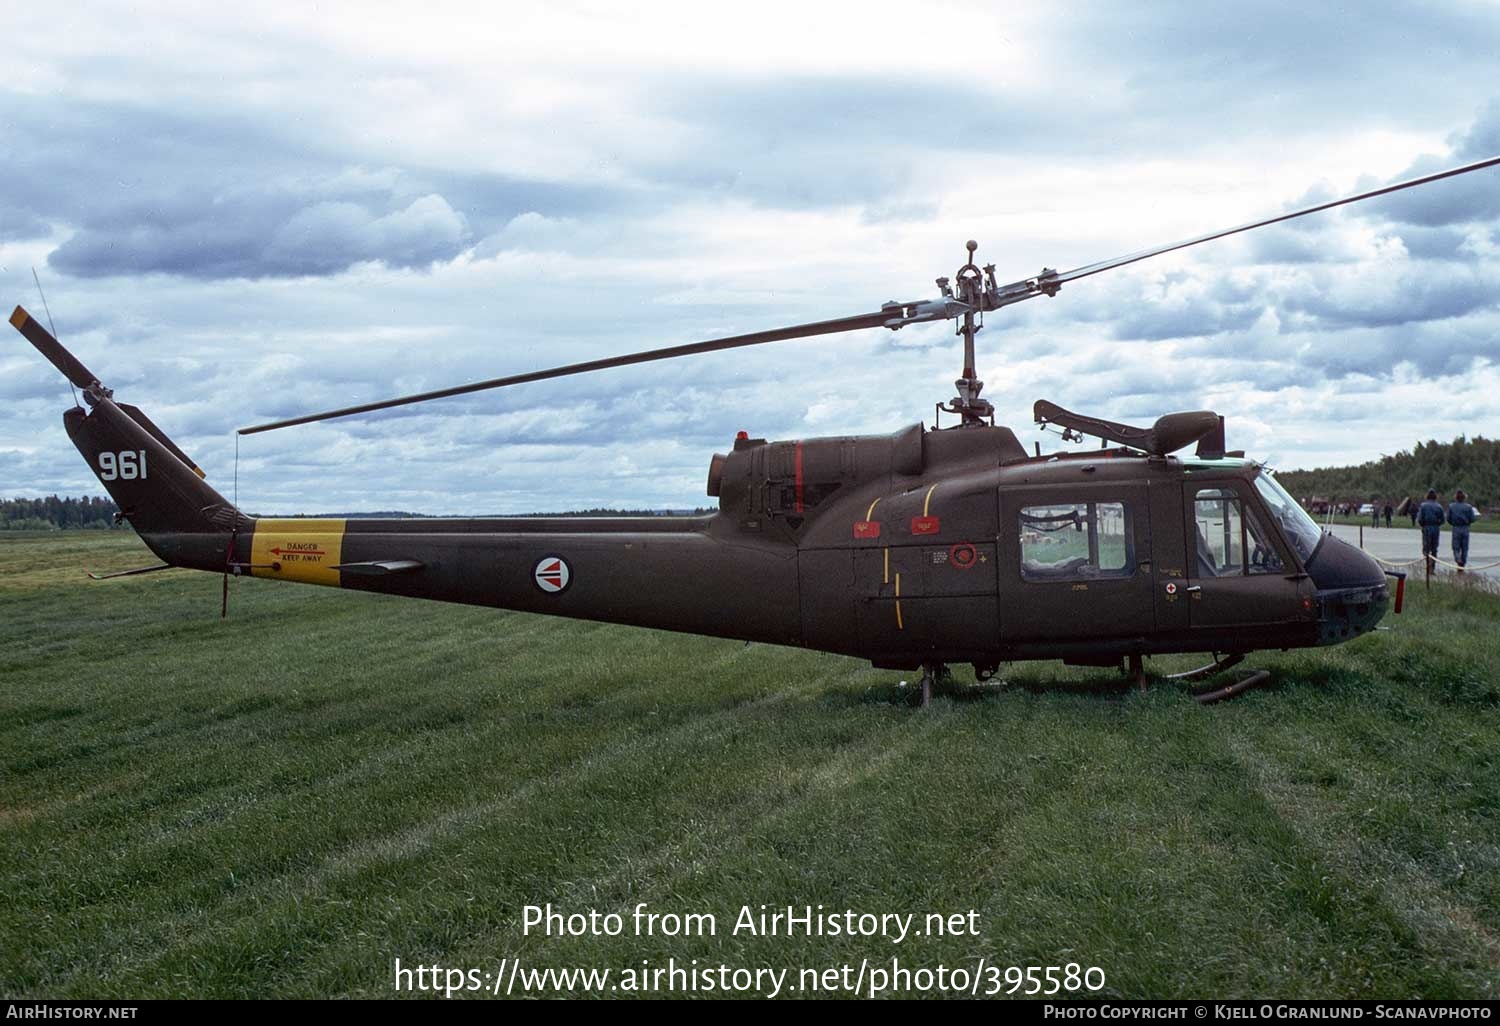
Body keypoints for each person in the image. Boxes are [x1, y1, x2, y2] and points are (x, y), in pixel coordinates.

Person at [1447, 489, 1479, 570]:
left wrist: (1453, 523)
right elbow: (1472, 518)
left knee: (1455, 546)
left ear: (1456, 497)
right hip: (1465, 528)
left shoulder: (1451, 506)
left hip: (1456, 528)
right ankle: (1462, 563)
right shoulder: (1468, 507)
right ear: (1464, 498)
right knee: (1465, 547)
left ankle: (1458, 559)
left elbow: (1448, 518)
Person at [1418, 490, 1446, 564]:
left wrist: (1423, 525)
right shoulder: (1439, 506)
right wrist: (1437, 524)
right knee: (1434, 548)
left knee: (1426, 547)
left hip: (1426, 527)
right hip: (1435, 528)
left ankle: (1427, 564)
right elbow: (1443, 520)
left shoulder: (1423, 506)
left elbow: (1420, 519)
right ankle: (1432, 567)